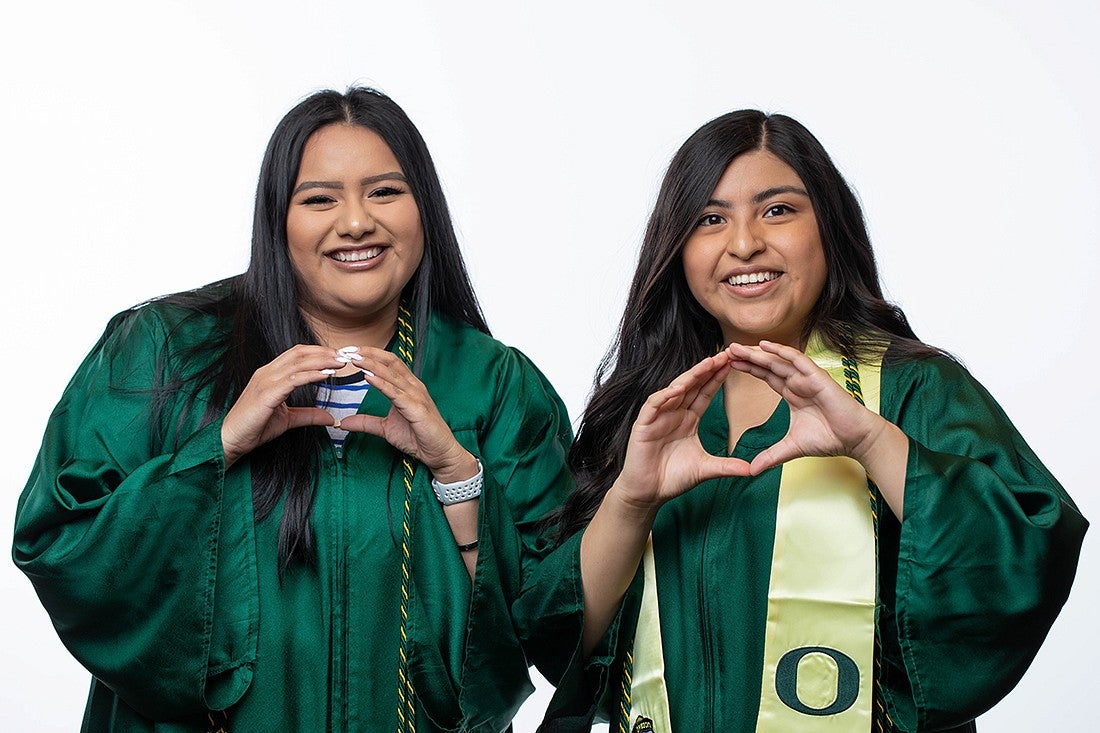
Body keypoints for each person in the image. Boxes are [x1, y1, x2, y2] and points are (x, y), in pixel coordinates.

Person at [13, 86, 572, 732]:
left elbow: (552, 622)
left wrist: (456, 472)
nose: (357, 221)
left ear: (427, 211)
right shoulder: (165, 352)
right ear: (278, 219)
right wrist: (217, 447)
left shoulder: (494, 385)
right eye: (320, 199)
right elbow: (58, 540)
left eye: (386, 192)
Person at [516, 110, 1087, 732]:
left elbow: (1022, 558)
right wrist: (631, 498)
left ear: (829, 229)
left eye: (778, 210)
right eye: (710, 220)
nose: (743, 244)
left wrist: (871, 441)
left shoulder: (910, 388)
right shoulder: (645, 414)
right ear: (678, 250)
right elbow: (557, 637)